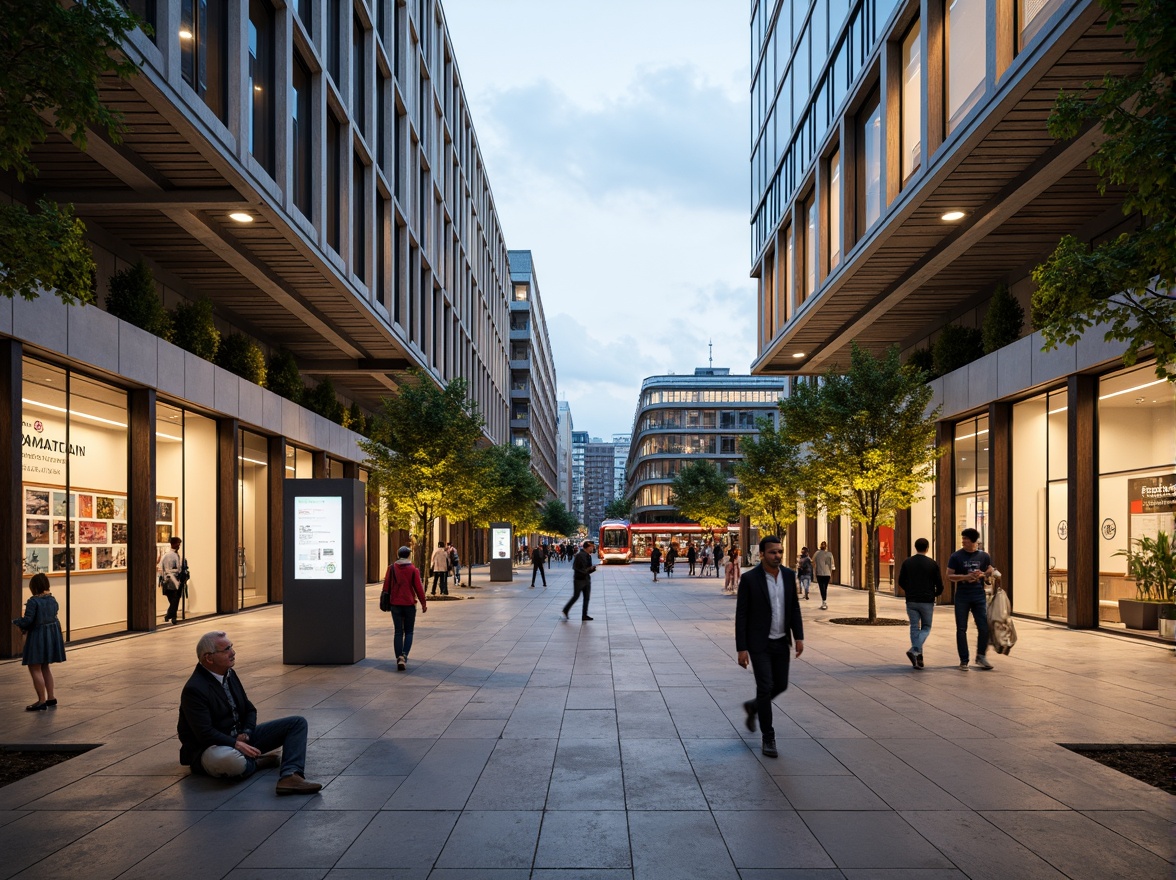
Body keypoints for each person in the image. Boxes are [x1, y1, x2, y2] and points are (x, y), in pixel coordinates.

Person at [178, 631, 322, 794]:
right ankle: (254, 762)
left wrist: (246, 733)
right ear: (209, 658)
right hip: (211, 747)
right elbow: (204, 733)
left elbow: (249, 709)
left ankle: (290, 775)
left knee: (297, 723)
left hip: (239, 739)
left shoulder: (228, 673)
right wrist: (235, 743)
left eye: (231, 647)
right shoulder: (194, 689)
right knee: (232, 762)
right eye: (226, 650)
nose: (233, 653)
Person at [736, 536, 804, 758]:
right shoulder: (750, 579)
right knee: (765, 687)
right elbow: (742, 615)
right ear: (762, 554)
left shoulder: (788, 575)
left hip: (781, 641)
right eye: (773, 552)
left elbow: (793, 608)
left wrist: (799, 636)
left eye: (780, 552)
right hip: (759, 643)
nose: (778, 556)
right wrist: (742, 648)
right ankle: (768, 736)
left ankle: (754, 707)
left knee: (780, 685)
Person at [12, 573, 66, 711]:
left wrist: (16, 622)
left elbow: (28, 621)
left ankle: (41, 700)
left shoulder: (33, 601)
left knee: (34, 667)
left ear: (34, 586)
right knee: (45, 666)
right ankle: (51, 697)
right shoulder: (52, 599)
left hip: (38, 636)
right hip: (51, 636)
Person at [948, 528, 995, 671]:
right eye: (962, 539)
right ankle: (964, 660)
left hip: (979, 595)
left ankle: (981, 656)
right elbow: (949, 575)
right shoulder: (956, 556)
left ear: (974, 541)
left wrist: (982, 574)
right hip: (962, 596)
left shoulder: (984, 556)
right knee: (961, 629)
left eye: (966, 539)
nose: (963, 541)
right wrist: (965, 577)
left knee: (984, 627)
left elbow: (990, 569)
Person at [897, 537, 944, 668]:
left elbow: (901, 581)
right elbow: (939, 584)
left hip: (911, 600)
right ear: (927, 548)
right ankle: (915, 650)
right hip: (927, 600)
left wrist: (909, 590)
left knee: (914, 627)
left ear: (915, 547)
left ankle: (918, 657)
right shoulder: (932, 564)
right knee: (926, 627)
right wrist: (935, 594)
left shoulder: (907, 562)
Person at [382, 546, 428, 671]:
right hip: (409, 604)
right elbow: (418, 588)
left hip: (395, 604)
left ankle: (398, 658)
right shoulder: (413, 569)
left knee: (398, 631)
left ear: (398, 555)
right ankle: (404, 656)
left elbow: (386, 587)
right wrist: (423, 603)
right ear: (409, 555)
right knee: (409, 632)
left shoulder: (391, 568)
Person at [563, 540, 597, 621]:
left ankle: (584, 615)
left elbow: (587, 568)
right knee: (576, 596)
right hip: (579, 580)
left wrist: (592, 569)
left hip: (586, 579)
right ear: (588, 547)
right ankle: (566, 610)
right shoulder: (580, 555)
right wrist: (588, 569)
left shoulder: (588, 556)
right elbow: (576, 568)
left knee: (586, 598)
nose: (593, 548)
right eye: (592, 547)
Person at [159, 536, 184, 624]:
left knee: (173, 600)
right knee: (174, 600)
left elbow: (161, 568)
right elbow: (177, 569)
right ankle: (171, 616)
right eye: (178, 543)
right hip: (173, 581)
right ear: (173, 544)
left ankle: (171, 616)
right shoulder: (172, 555)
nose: (179, 545)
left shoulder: (167, 555)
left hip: (168, 580)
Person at [812, 541, 835, 610]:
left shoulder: (818, 553)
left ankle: (824, 602)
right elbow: (832, 565)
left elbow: (812, 561)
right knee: (824, 588)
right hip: (824, 573)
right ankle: (824, 601)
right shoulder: (828, 554)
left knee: (823, 588)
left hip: (823, 573)